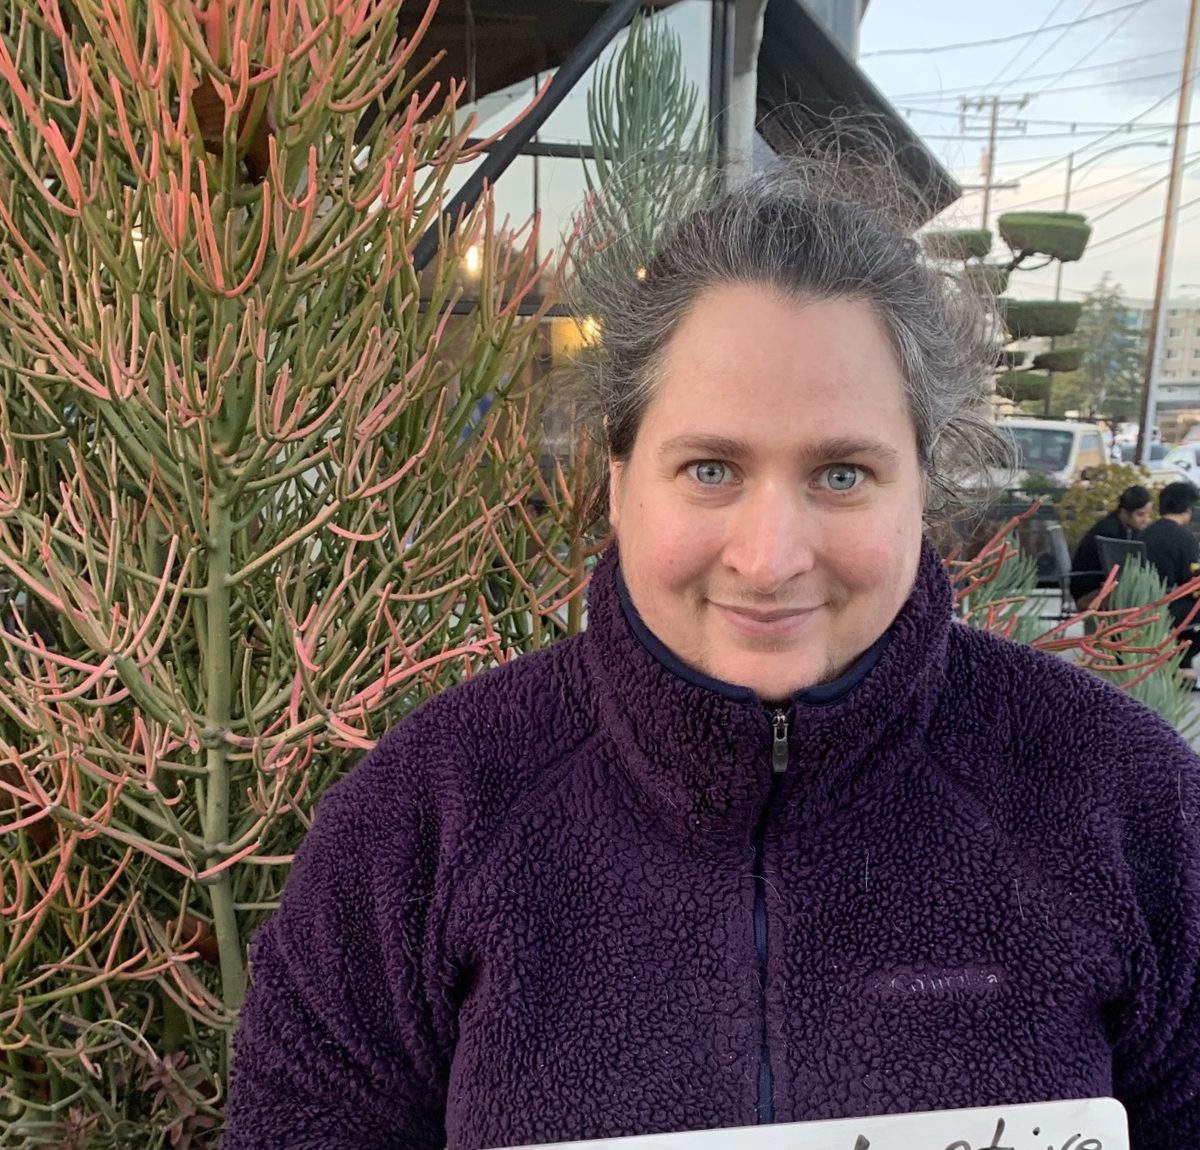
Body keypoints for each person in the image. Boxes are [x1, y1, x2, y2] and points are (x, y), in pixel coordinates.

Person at [222, 158, 1200, 1149]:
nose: (769, 556)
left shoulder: (1126, 804)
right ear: (617, 480)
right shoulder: (422, 823)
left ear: (924, 484)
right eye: (709, 467)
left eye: (842, 472)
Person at [1142, 480, 1200, 670]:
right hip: (1169, 609)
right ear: (1188, 509)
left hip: (1142, 605)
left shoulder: (1144, 533)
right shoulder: (1185, 539)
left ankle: (1178, 660)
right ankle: (1181, 661)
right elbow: (1191, 584)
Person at [1068, 484, 1153, 610]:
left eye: (1148, 514)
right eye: (1140, 515)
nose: (1146, 520)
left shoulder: (1126, 528)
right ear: (1124, 512)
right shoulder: (1109, 534)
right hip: (1089, 593)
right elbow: (1119, 572)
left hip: (1100, 586)